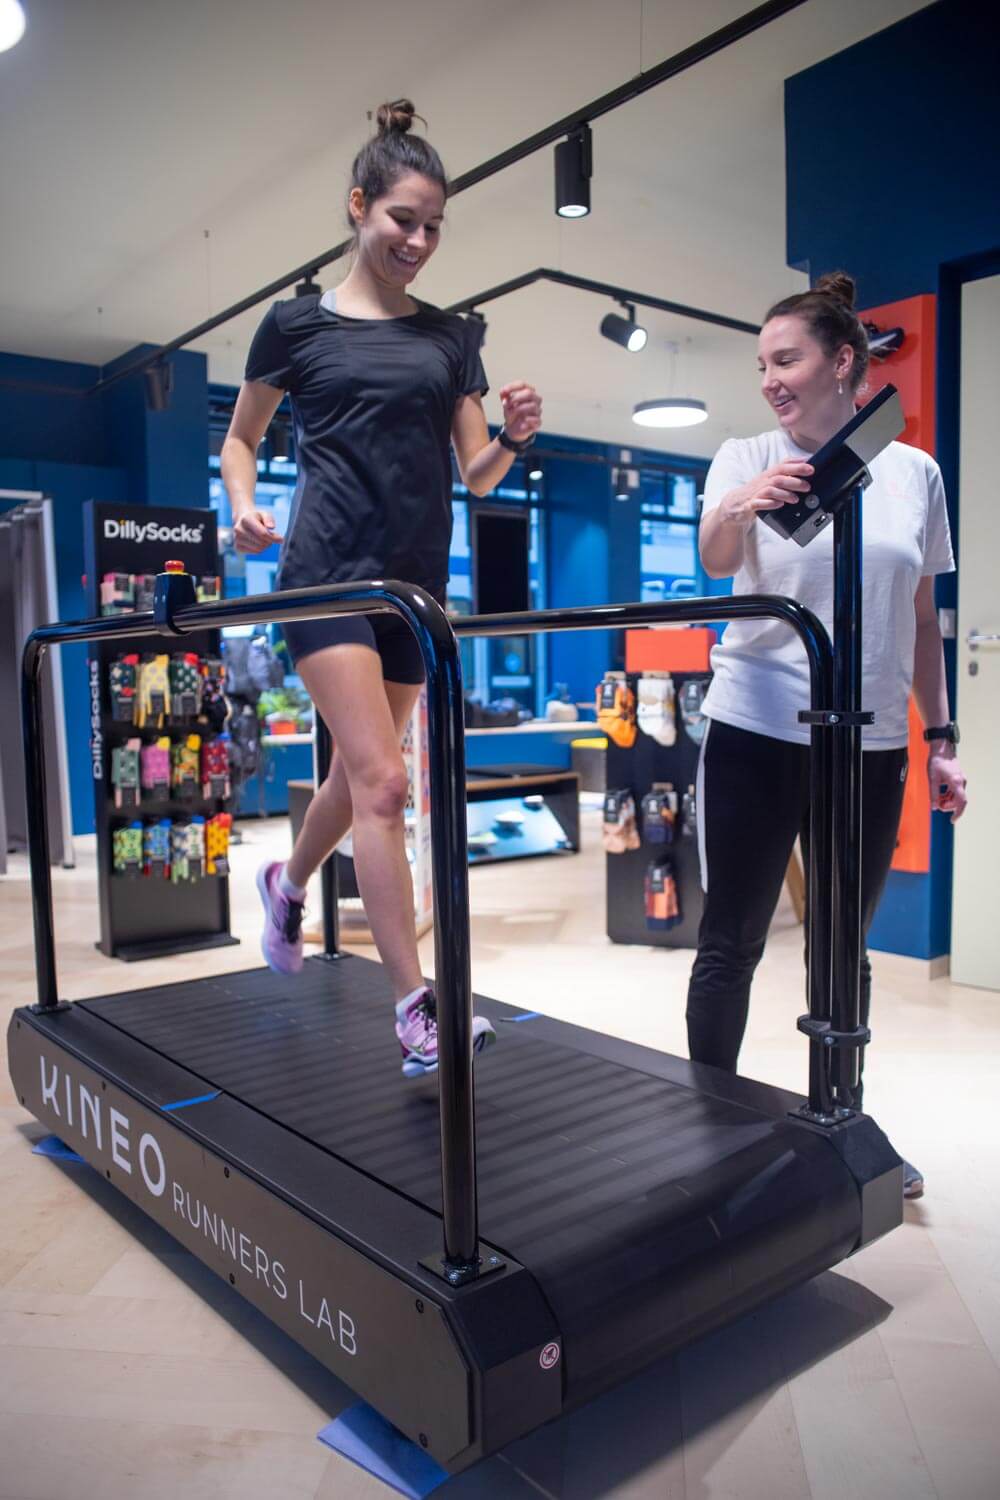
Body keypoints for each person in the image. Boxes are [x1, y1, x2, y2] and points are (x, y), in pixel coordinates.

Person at [221, 100, 542, 1078]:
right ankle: (415, 1008)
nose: (419, 240)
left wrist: (514, 437)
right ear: (359, 206)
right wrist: (243, 504)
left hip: (413, 590)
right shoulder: (295, 326)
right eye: (404, 218)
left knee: (358, 781)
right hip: (322, 575)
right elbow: (241, 438)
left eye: (435, 226)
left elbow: (477, 473)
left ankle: (286, 884)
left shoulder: (450, 338)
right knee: (388, 785)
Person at [686, 271, 967, 1196]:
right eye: (762, 365)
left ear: (844, 362)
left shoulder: (915, 474)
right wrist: (744, 501)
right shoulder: (743, 455)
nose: (769, 379)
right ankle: (708, 1132)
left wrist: (940, 737)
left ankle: (842, 1121)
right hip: (757, 727)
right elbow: (716, 562)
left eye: (787, 359)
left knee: (843, 947)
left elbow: (921, 620)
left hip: (870, 742)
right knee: (731, 941)